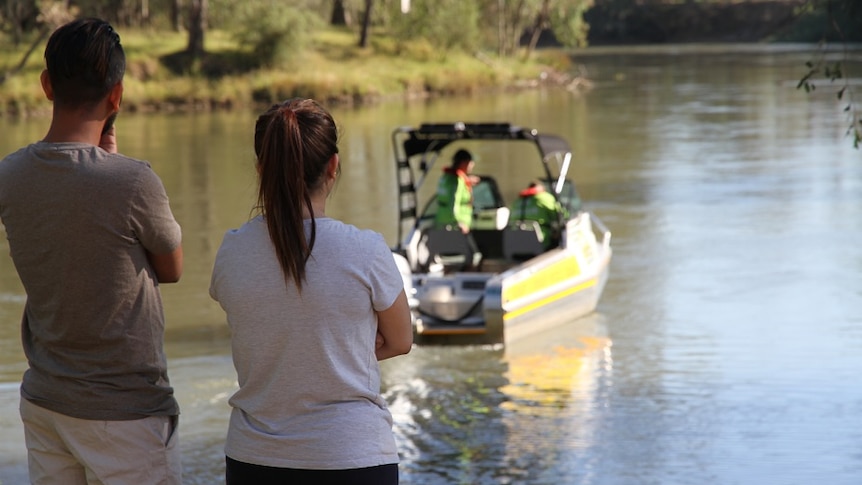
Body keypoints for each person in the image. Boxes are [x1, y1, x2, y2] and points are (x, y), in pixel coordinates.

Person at [0, 18, 184, 484]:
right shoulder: (133, 181)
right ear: (116, 96)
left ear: (45, 85)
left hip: (46, 403)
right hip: (126, 412)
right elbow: (173, 267)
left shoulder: (9, 175)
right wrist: (112, 164)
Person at [209, 98, 413, 484]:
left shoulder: (233, 251)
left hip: (256, 459)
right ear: (333, 166)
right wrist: (341, 351)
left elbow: (268, 327)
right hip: (354, 457)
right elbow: (401, 340)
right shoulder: (366, 250)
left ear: (260, 169)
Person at [509, 180, 568, 248]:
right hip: (540, 241)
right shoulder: (544, 197)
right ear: (542, 189)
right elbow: (561, 215)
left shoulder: (517, 202)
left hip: (515, 241)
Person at [434, 148, 478, 234]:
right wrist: (458, 223)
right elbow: (453, 202)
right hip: (455, 225)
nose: (472, 165)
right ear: (464, 162)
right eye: (471, 162)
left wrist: (467, 180)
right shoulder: (457, 181)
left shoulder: (446, 177)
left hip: (442, 220)